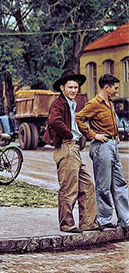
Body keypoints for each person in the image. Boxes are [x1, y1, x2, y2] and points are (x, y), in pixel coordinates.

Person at [43, 71, 98, 233]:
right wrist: (68, 135)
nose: (74, 90)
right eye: (70, 87)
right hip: (66, 147)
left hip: (74, 148)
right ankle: (67, 224)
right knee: (68, 187)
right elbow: (54, 121)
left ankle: (88, 222)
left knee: (87, 185)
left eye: (76, 87)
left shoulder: (71, 103)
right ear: (62, 88)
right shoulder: (59, 104)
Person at [76, 73, 129, 230]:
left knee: (120, 183)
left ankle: (125, 220)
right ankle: (104, 219)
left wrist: (116, 137)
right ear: (107, 88)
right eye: (115, 88)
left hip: (112, 145)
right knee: (103, 185)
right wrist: (93, 135)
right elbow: (79, 119)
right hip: (102, 147)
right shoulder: (94, 104)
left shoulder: (109, 102)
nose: (117, 92)